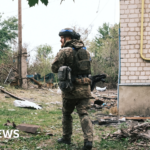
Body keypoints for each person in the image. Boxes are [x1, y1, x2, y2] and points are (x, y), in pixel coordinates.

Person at [51, 28, 93, 150]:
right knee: (84, 113)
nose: (60, 40)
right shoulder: (86, 51)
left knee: (66, 113)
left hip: (71, 89)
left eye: (62, 37)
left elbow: (54, 68)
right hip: (85, 88)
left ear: (68, 38)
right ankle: (89, 141)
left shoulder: (65, 51)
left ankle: (66, 138)